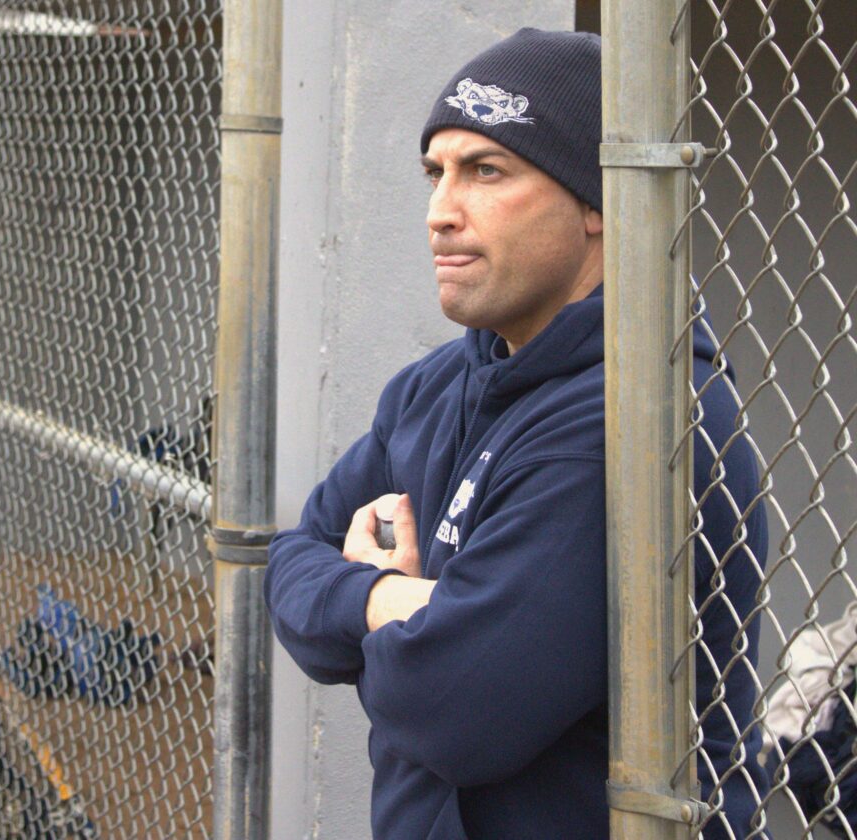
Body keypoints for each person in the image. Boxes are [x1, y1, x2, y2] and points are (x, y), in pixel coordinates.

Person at [265, 28, 768, 839]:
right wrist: (398, 604)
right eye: (436, 173)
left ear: (598, 201)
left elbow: (456, 710)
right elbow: (289, 563)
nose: (439, 213)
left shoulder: (637, 418)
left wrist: (364, 610)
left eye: (486, 172)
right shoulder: (434, 388)